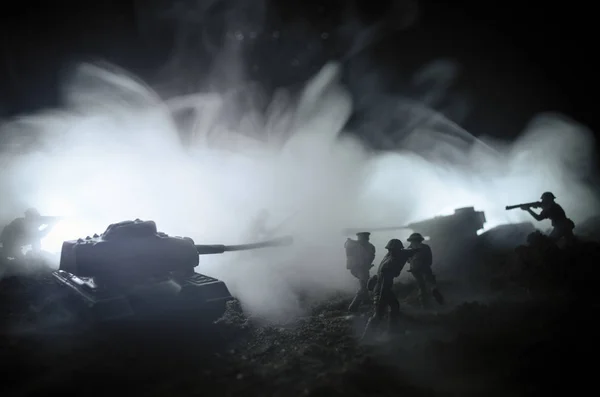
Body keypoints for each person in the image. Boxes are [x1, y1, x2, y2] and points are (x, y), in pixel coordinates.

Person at [361, 239, 419, 339]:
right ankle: (366, 338)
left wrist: (417, 249)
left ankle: (393, 330)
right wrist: (380, 299)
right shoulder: (390, 263)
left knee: (395, 306)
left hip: (383, 287)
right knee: (378, 314)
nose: (394, 251)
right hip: (382, 289)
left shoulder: (391, 256)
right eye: (394, 250)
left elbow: (408, 252)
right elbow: (385, 284)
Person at [406, 232, 444, 308]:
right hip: (425, 268)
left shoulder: (408, 249)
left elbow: (408, 261)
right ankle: (434, 292)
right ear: (420, 240)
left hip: (414, 270)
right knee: (431, 283)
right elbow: (430, 260)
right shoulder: (426, 247)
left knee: (421, 285)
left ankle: (424, 304)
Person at [345, 232, 376, 312]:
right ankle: (353, 307)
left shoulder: (369, 246)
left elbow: (371, 256)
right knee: (363, 287)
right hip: (358, 269)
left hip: (363, 268)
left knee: (365, 285)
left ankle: (366, 301)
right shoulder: (354, 246)